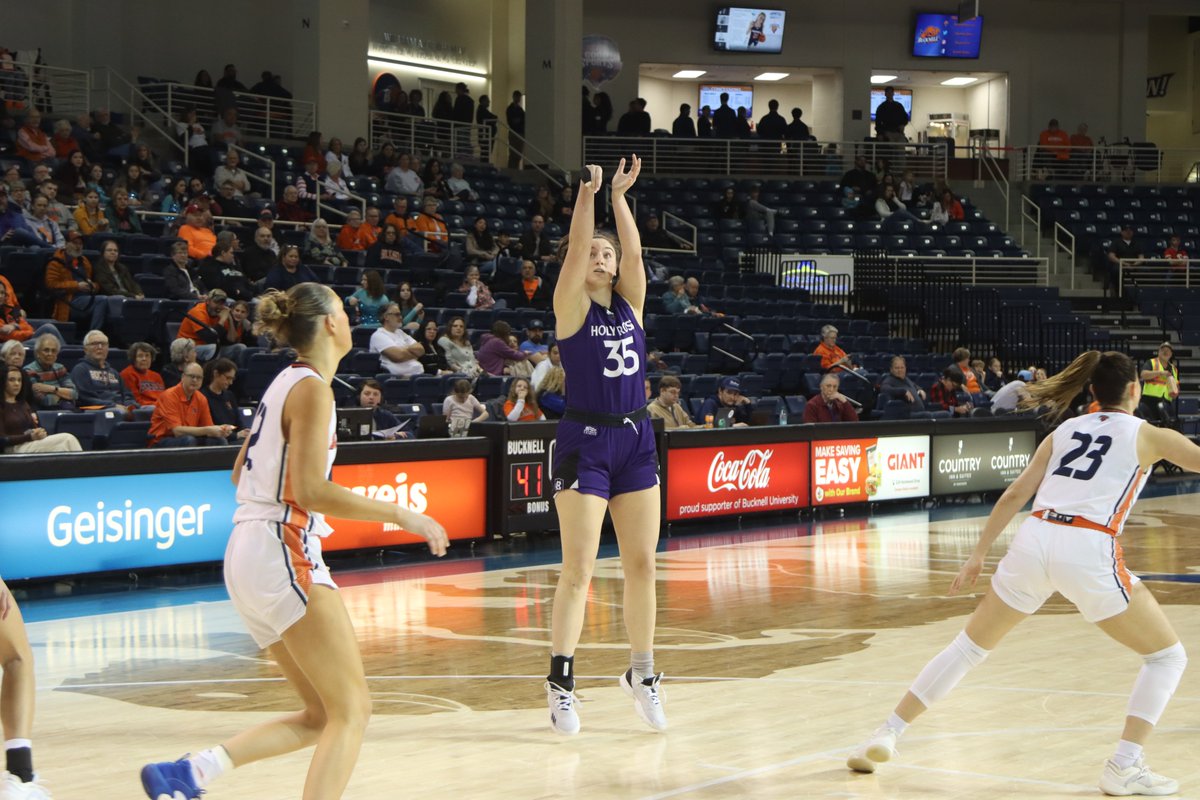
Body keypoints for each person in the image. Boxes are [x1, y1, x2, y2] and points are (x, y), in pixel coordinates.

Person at [140, 282, 448, 800]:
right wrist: (403, 515)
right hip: (279, 547)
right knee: (353, 711)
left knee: (323, 714)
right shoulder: (313, 390)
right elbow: (310, 490)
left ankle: (189, 773)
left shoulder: (285, 381)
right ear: (329, 323)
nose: (349, 317)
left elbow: (239, 472)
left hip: (248, 549)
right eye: (343, 310)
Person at [847, 350, 1194, 797]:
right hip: (1088, 544)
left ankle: (887, 732)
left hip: (1035, 536)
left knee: (968, 648)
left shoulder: (1066, 430)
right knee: (1167, 657)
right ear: (1135, 389)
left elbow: (1014, 494)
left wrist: (978, 554)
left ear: (1092, 390)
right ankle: (1124, 766)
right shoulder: (1150, 434)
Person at [539, 157, 667, 734]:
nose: (600, 257)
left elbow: (635, 256)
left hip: (636, 439)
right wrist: (588, 195)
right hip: (585, 441)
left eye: (606, 253)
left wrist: (619, 197)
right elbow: (574, 251)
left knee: (642, 564)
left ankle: (642, 674)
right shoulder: (571, 307)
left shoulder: (631, 305)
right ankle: (561, 682)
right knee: (580, 568)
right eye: (593, 252)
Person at [2, 364, 82, 455]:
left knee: (64, 445)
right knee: (67, 439)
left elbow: (33, 428)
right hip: (13, 448)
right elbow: (2, 439)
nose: (17, 384)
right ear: (3, 381)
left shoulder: (23, 404)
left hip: (28, 442)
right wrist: (30, 437)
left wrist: (38, 432)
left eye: (19, 380)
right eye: (11, 380)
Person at [148, 362, 233, 447]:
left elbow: (208, 427)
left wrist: (220, 430)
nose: (195, 380)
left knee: (219, 440)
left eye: (199, 377)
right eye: (192, 376)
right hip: (162, 440)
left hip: (189, 437)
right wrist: (208, 430)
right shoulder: (169, 396)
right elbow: (177, 431)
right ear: (183, 377)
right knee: (188, 440)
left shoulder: (201, 398)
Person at [44, 229, 108, 332]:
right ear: (66, 244)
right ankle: (93, 334)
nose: (78, 246)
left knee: (108, 302)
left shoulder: (85, 261)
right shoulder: (56, 262)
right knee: (102, 300)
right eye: (75, 243)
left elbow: (95, 283)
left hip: (86, 299)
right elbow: (51, 284)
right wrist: (76, 286)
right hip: (69, 302)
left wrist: (92, 286)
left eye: (80, 244)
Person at [71, 330, 135, 412]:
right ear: (85, 349)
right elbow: (85, 398)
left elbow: (127, 395)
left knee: (147, 410)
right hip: (98, 410)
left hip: (119, 408)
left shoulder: (114, 372)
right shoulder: (80, 370)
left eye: (103, 344)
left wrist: (130, 405)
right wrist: (113, 405)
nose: (100, 347)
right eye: (95, 343)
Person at [369, 302, 424, 377]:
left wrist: (404, 350)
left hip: (416, 375)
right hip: (394, 378)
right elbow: (398, 356)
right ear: (386, 317)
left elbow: (421, 350)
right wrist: (414, 353)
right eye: (397, 315)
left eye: (400, 314)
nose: (401, 317)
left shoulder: (400, 332)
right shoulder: (378, 335)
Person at [23, 334, 76, 410]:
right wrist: (64, 394)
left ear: (57, 354)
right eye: (46, 350)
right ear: (37, 353)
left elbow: (74, 394)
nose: (50, 354)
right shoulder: (29, 371)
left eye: (53, 351)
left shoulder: (60, 368)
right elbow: (45, 401)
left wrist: (51, 389)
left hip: (63, 410)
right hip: (42, 412)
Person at [1139, 342, 1179, 426]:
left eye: (1168, 350)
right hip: (1150, 401)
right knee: (1150, 427)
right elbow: (1143, 375)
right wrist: (1160, 373)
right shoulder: (1151, 362)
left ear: (1171, 354)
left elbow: (1177, 384)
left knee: (1168, 427)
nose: (1165, 352)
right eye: (1163, 350)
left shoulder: (1174, 369)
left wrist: (1176, 392)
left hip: (1166, 402)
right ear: (1159, 352)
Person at [120, 341, 165, 407]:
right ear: (133, 359)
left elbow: (163, 397)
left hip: (160, 407)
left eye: (147, 356)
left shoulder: (156, 375)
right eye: (140, 356)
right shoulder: (127, 374)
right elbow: (135, 401)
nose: (144, 359)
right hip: (142, 408)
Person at [506, 90, 526, 168]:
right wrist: (518, 120)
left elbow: (522, 120)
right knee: (513, 154)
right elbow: (511, 122)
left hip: (520, 133)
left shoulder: (520, 110)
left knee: (518, 155)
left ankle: (516, 169)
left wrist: (518, 120)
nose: (518, 99)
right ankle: (511, 169)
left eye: (519, 97)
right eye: (517, 97)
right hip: (514, 133)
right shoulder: (510, 109)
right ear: (514, 97)